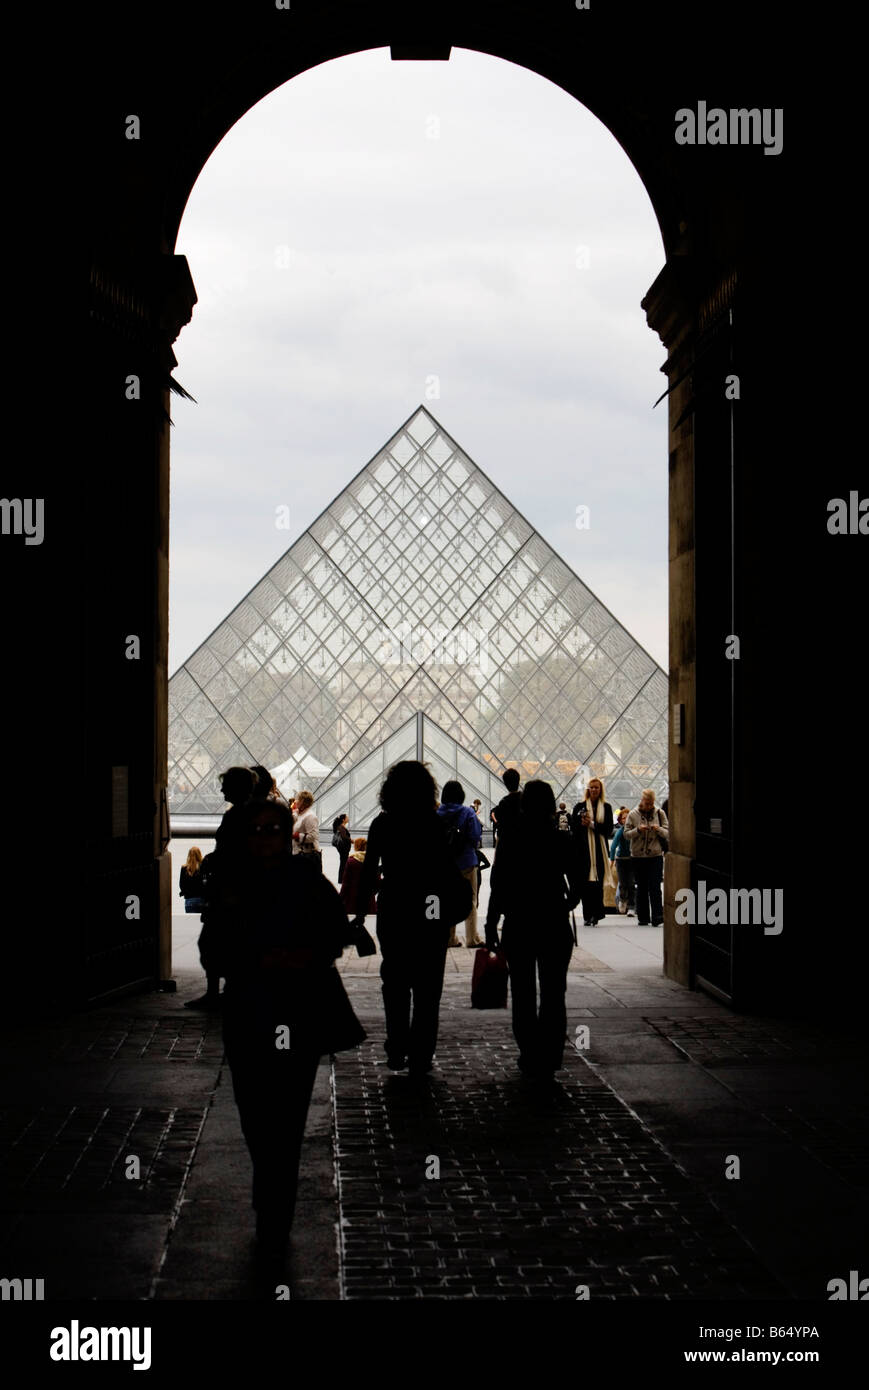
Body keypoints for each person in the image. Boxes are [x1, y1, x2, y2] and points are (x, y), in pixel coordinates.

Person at [213, 798, 364, 1258]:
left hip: (291, 1015)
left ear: (287, 834)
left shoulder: (301, 880)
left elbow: (336, 931)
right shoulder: (235, 883)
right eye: (256, 830)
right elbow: (214, 946)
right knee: (257, 1115)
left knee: (286, 1117)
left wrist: (300, 957)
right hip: (250, 1015)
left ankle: (275, 1206)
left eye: (271, 830)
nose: (264, 838)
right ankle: (272, 1189)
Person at [352, 761, 472, 1078]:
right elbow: (446, 868)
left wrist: (361, 914)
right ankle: (421, 1054)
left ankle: (397, 1044)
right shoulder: (432, 825)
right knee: (428, 987)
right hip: (430, 908)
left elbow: (367, 874)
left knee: (395, 981)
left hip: (395, 907)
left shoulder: (382, 825)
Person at [486, 780, 583, 1080]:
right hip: (553, 921)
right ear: (552, 805)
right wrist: (569, 901)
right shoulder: (560, 838)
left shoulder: (512, 839)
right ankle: (552, 1055)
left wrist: (491, 923)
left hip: (519, 922)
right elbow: (578, 877)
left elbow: (498, 884)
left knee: (523, 992)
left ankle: (529, 1053)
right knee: (555, 993)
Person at [185, 765, 257, 1010]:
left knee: (212, 942)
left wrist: (213, 861)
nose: (222, 788)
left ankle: (215, 993)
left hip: (228, 891)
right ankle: (227, 991)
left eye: (225, 784)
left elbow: (230, 852)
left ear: (236, 787)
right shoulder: (251, 814)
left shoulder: (237, 815)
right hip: (239, 890)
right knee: (230, 942)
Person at [437, 780, 484, 948]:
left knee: (448, 900)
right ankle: (472, 938)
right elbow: (475, 837)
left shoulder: (437, 813)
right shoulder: (468, 813)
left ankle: (450, 938)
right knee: (470, 899)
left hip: (445, 865)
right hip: (466, 862)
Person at [571, 777, 614, 925]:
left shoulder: (606, 808)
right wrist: (582, 824)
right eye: (592, 787)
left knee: (597, 885)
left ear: (601, 789)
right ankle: (587, 915)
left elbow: (608, 830)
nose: (594, 790)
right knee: (585, 885)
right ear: (588, 789)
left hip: (599, 852)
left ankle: (596, 914)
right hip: (583, 852)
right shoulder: (579, 807)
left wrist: (592, 824)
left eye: (596, 787)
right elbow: (573, 829)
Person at [624, 790, 669, 926]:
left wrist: (658, 829)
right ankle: (643, 917)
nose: (649, 806)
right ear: (642, 800)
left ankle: (657, 916)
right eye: (647, 803)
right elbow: (626, 834)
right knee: (642, 887)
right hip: (638, 856)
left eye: (651, 803)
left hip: (655, 856)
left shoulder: (660, 814)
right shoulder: (632, 815)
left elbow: (667, 832)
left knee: (655, 887)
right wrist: (638, 830)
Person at [339, 837, 379, 920]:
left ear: (356, 847)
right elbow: (377, 883)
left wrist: (340, 899)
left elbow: (346, 883)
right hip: (369, 902)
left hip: (352, 901)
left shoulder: (351, 861)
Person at [609, 808, 636, 917]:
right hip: (620, 860)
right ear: (620, 820)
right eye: (624, 818)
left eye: (628, 817)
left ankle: (631, 906)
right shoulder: (620, 831)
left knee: (631, 884)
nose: (626, 820)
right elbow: (614, 845)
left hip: (631, 860)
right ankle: (622, 900)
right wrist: (612, 859)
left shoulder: (633, 831)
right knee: (623, 883)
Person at [490, 768, 522, 843]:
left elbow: (501, 828)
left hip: (508, 843)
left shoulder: (504, 803)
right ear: (518, 780)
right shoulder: (527, 800)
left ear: (505, 784)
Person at [291, 790, 320, 871]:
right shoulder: (299, 814)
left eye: (297, 799)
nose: (295, 801)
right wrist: (294, 813)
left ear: (302, 801)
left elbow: (313, 836)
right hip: (298, 854)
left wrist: (296, 836)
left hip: (306, 856)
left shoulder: (310, 816)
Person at [179, 846, 205, 912]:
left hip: (189, 900)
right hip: (202, 899)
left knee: (191, 921)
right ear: (199, 854)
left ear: (189, 855)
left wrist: (185, 892)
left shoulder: (184, 868)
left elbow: (181, 885)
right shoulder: (204, 866)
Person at [331, 813, 352, 882]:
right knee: (344, 863)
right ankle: (342, 879)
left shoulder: (341, 826)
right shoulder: (341, 827)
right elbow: (344, 836)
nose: (348, 818)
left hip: (343, 848)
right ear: (343, 820)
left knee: (343, 862)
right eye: (347, 817)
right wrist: (352, 840)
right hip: (343, 848)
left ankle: (341, 879)